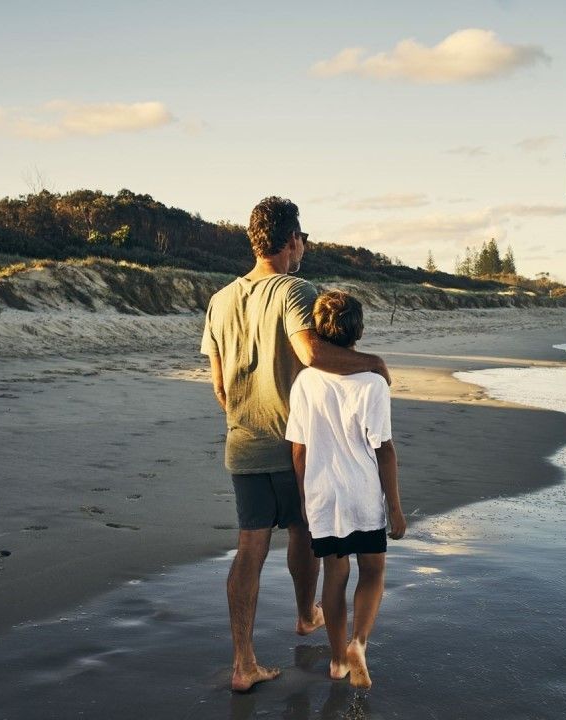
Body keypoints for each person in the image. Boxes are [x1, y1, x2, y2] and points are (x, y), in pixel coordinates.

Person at [200, 197, 391, 693]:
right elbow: (310, 352)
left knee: (250, 548)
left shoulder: (221, 300)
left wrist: (243, 415)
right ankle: (306, 614)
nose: (303, 246)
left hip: (242, 443)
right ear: (291, 241)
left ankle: (244, 662)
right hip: (290, 441)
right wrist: (372, 363)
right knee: (303, 533)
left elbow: (218, 384)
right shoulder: (295, 288)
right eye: (301, 238)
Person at [285, 290, 406, 689]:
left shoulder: (305, 381)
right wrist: (396, 508)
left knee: (335, 575)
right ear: (360, 332)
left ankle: (337, 661)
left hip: (324, 495)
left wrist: (304, 498)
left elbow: (299, 448)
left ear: (319, 331)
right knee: (372, 570)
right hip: (362, 493)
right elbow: (384, 449)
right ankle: (359, 642)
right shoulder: (373, 382)